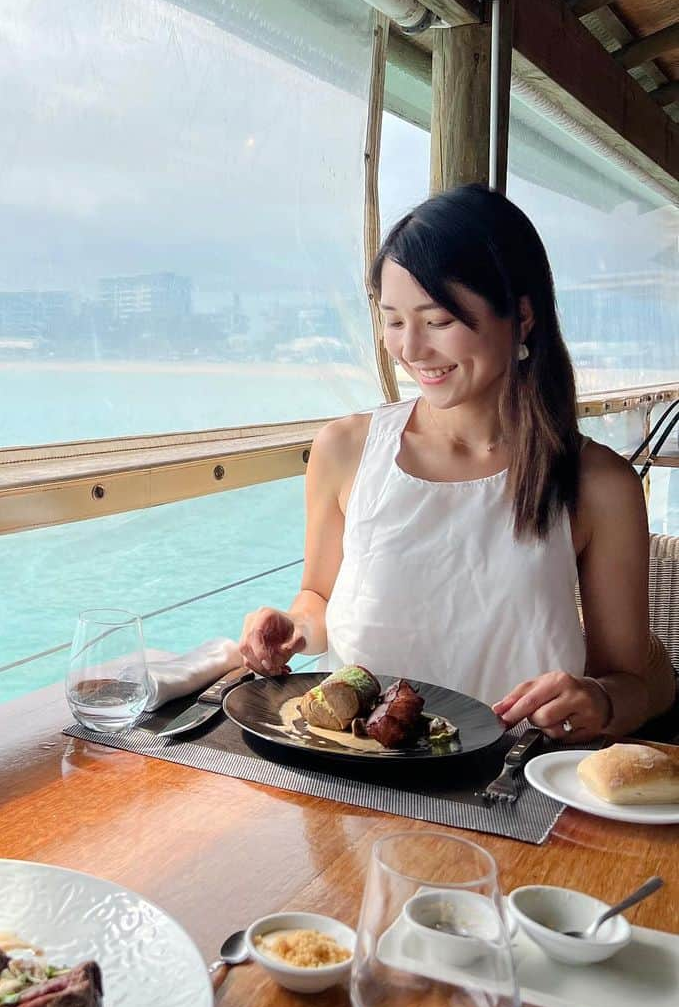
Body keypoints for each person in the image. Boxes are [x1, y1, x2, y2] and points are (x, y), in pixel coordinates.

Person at [239, 183, 669, 742]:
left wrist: (601, 698)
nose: (411, 349)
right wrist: (293, 627)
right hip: (353, 775)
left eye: (437, 321)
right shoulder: (344, 449)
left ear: (521, 314)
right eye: (394, 320)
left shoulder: (597, 484)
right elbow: (319, 598)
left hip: (509, 789)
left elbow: (634, 680)